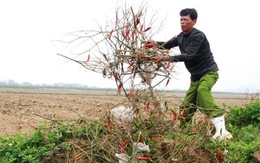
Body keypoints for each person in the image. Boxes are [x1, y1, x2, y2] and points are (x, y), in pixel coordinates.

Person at [149, 8, 232, 140]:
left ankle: (222, 130)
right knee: (186, 106)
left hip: (209, 73)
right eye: (181, 19)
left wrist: (168, 59)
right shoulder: (180, 37)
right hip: (195, 77)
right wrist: (154, 44)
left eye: (185, 20)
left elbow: (189, 55)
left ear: (194, 21)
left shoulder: (198, 36)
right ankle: (184, 132)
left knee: (202, 91)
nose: (182, 22)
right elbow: (167, 45)